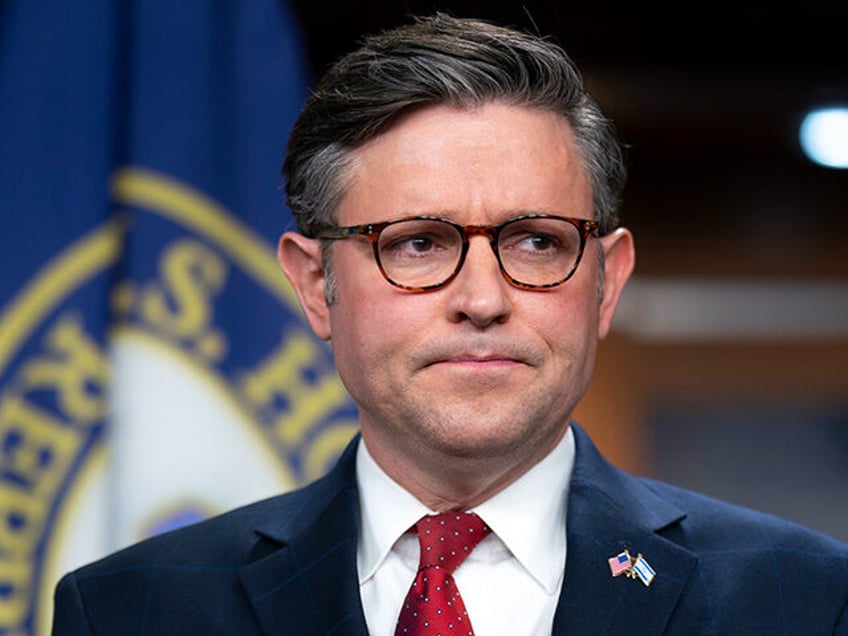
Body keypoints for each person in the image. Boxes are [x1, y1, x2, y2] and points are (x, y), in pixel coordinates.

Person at [52, 14, 848, 636]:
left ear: (606, 283)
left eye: (537, 242)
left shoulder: (806, 600)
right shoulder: (130, 610)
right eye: (418, 243)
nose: (482, 297)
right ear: (316, 284)